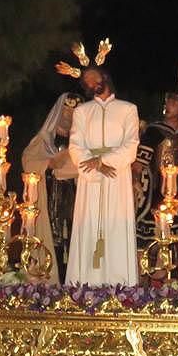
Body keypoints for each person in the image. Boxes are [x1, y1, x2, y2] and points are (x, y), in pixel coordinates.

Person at [65, 66, 140, 286]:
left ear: (104, 76)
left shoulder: (128, 109)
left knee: (117, 225)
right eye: (85, 82)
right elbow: (75, 145)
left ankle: (120, 284)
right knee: (87, 224)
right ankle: (84, 285)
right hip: (90, 178)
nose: (89, 83)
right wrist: (96, 165)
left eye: (92, 78)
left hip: (117, 176)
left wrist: (103, 161)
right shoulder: (82, 112)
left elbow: (131, 145)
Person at [21, 91, 83, 283]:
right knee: (54, 241)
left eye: (73, 113)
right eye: (65, 111)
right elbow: (28, 160)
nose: (68, 117)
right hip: (51, 198)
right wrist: (49, 164)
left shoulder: (81, 142)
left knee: (73, 241)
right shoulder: (44, 140)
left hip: (74, 197)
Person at [133, 91, 178, 250]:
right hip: (156, 194)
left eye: (174, 102)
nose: (168, 104)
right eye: (167, 101)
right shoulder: (153, 131)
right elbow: (139, 163)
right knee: (151, 246)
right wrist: (135, 180)